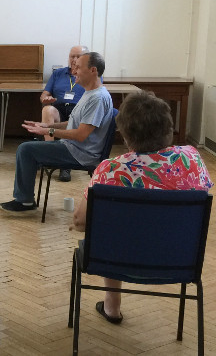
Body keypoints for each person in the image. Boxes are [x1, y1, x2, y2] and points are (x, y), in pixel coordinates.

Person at [71, 90, 212, 324]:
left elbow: (80, 222)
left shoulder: (111, 169)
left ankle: (112, 306)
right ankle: (111, 305)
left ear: (125, 134)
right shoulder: (192, 158)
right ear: (168, 128)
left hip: (118, 259)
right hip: (179, 259)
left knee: (112, 233)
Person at [1, 52, 113, 212]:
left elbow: (81, 135)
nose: (74, 72)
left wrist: (51, 131)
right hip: (73, 147)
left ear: (93, 70)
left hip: (81, 153)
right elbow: (73, 123)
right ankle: (24, 198)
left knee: (25, 149)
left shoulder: (98, 98)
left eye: (79, 68)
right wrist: (45, 127)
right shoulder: (91, 94)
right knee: (28, 148)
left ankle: (24, 200)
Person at [39, 45, 90, 182]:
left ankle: (65, 165)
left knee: (75, 118)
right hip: (59, 108)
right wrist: (46, 99)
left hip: (79, 110)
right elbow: (44, 94)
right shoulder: (58, 73)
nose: (74, 59)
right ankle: (50, 155)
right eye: (71, 56)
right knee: (47, 109)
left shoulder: (89, 74)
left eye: (78, 56)